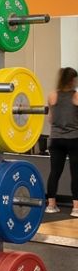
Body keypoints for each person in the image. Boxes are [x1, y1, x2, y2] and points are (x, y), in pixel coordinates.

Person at [46, 67, 78, 215]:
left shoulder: (52, 96)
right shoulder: (76, 96)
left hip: (56, 139)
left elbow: (51, 119)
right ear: (71, 80)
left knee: (54, 172)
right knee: (76, 173)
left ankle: (51, 205)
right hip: (73, 139)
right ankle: (76, 208)